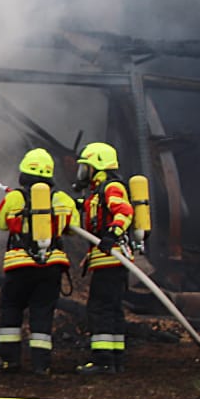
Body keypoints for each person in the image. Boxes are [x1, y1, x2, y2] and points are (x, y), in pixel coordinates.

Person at [0, 148, 78, 376]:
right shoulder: (62, 199)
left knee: (11, 309)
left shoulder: (15, 197)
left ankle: (10, 361)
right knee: (42, 312)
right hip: (51, 266)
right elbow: (72, 229)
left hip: (19, 265)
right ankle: (41, 364)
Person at [72, 141, 134, 375]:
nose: (83, 173)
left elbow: (125, 212)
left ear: (98, 166)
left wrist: (112, 234)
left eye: (85, 167)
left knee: (99, 308)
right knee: (112, 308)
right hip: (111, 260)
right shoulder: (98, 193)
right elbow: (91, 209)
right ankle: (116, 358)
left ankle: (103, 361)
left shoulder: (111, 188)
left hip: (111, 258)